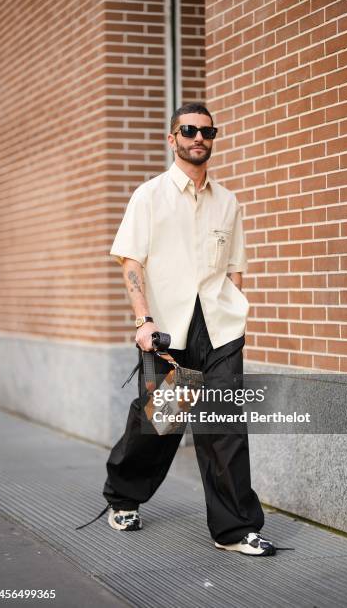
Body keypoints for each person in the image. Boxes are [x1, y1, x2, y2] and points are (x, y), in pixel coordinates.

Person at [102, 103, 276, 556]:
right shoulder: (149, 196)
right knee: (160, 425)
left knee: (224, 428)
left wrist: (236, 311)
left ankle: (234, 530)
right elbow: (131, 261)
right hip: (169, 334)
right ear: (172, 138)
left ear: (214, 138)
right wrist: (143, 320)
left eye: (207, 131)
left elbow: (235, 268)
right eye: (189, 130)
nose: (199, 137)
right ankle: (122, 496)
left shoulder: (228, 201)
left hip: (219, 330)